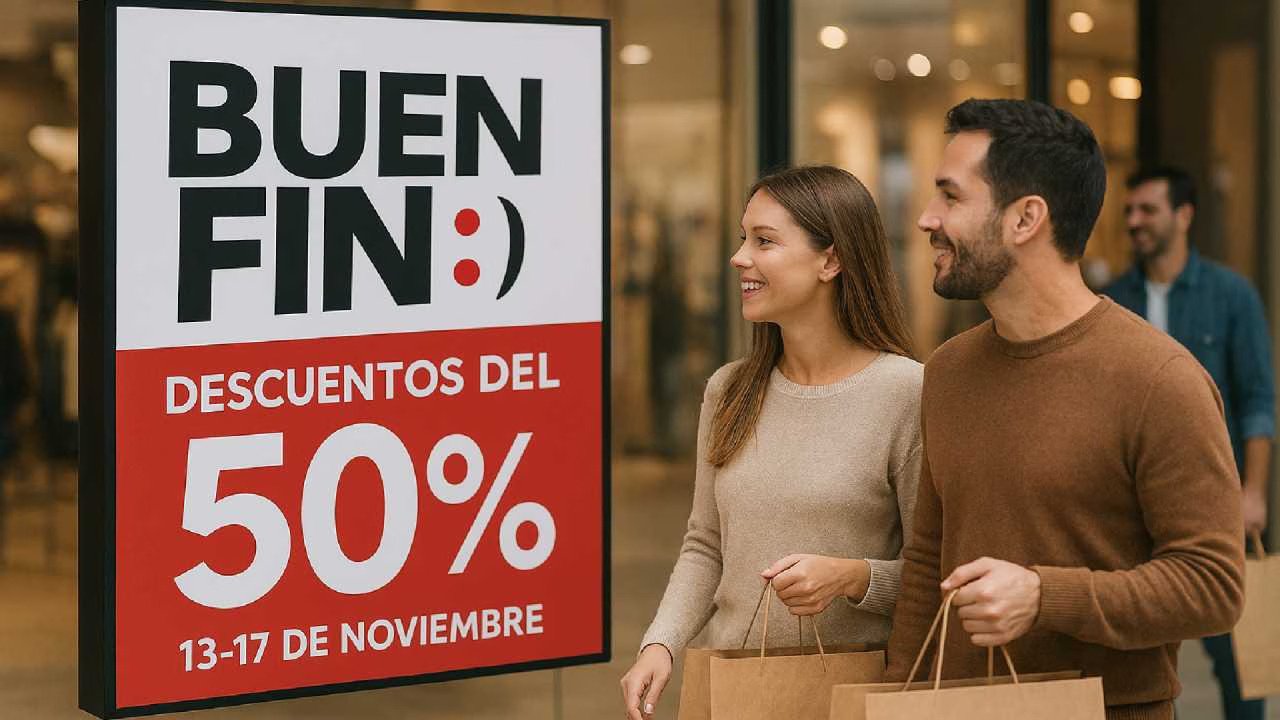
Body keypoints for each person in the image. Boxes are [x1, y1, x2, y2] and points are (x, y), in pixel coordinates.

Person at [884, 99, 1245, 720]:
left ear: (1026, 218)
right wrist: (899, 693)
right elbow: (926, 563)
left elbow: (1212, 586)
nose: (926, 218)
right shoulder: (946, 371)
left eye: (950, 196)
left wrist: (1044, 596)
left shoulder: (1161, 380)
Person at [620, 165, 923, 719]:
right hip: (733, 689)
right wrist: (660, 643)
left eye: (764, 241)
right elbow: (705, 545)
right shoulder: (729, 390)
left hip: (849, 695)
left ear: (831, 261)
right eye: (744, 238)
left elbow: (934, 573)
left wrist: (853, 577)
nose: (739, 258)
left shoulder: (905, 393)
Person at [1106, 166, 1275, 720]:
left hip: (1213, 500)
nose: (1135, 221)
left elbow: (1257, 399)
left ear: (1184, 215)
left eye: (1148, 210)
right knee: (1140, 660)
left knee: (1238, 663)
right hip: (1130, 508)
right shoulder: (1112, 300)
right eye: (1129, 211)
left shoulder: (1231, 295)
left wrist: (1253, 491)